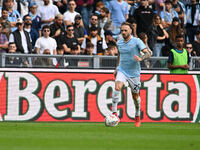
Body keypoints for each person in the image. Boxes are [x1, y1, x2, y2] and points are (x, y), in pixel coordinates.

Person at [112, 22, 151, 127]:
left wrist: (141, 58)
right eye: (122, 30)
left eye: (125, 30)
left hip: (134, 73)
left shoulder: (137, 41)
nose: (123, 32)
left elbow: (149, 53)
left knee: (135, 97)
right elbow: (119, 56)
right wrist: (116, 68)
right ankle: (114, 113)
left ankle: (137, 114)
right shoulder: (119, 43)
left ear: (130, 31)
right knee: (117, 87)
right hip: (122, 70)